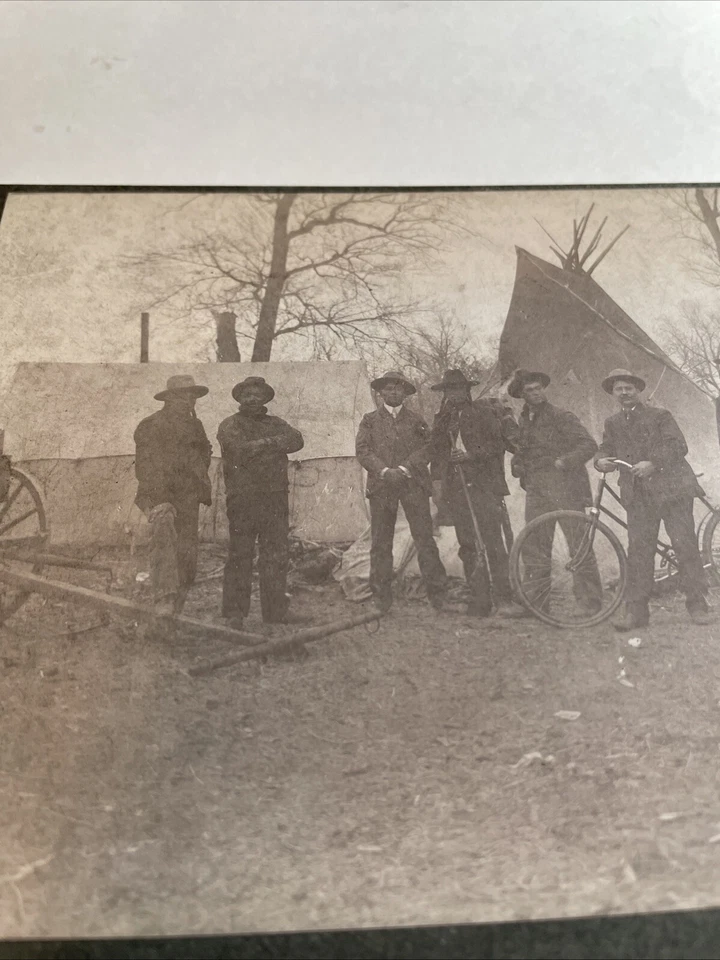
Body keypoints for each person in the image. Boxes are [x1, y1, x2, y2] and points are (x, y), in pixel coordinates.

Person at [594, 368, 712, 630]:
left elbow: (678, 446)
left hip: (672, 491)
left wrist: (653, 463)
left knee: (685, 546)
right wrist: (599, 460)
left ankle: (698, 605)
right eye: (619, 389)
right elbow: (606, 447)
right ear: (613, 394)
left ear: (638, 391)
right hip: (638, 496)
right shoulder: (612, 422)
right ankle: (636, 613)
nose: (624, 393)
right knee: (638, 552)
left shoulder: (660, 415)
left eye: (629, 388)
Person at [429, 369, 525, 618]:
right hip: (457, 491)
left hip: (485, 488)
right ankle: (479, 601)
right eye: (450, 390)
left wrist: (470, 455)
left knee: (493, 543)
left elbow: (497, 445)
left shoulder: (484, 412)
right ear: (446, 393)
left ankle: (503, 599)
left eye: (459, 389)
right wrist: (438, 484)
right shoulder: (442, 420)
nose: (455, 394)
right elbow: (436, 455)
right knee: (468, 545)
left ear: (467, 390)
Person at [508, 368, 603, 616]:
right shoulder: (524, 420)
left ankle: (590, 604)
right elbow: (523, 450)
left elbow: (588, 445)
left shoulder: (561, 416)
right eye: (530, 390)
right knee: (535, 546)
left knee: (577, 546)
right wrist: (517, 463)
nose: (536, 393)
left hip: (566, 490)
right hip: (538, 491)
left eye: (539, 388)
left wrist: (565, 461)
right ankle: (536, 604)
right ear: (522, 395)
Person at [355, 370, 448, 614]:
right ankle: (381, 598)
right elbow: (363, 450)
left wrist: (406, 467)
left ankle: (438, 595)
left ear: (405, 393)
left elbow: (429, 447)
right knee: (380, 542)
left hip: (412, 484)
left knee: (424, 537)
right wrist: (384, 470)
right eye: (388, 388)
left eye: (398, 388)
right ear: (381, 392)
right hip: (382, 485)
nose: (393, 391)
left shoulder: (417, 420)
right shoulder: (369, 420)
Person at [217, 376, 305, 630]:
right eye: (247, 395)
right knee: (240, 554)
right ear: (240, 399)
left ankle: (275, 612)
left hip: (275, 498)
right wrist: (275, 446)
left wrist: (264, 444)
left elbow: (297, 440)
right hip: (243, 499)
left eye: (257, 395)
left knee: (275, 555)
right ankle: (235, 613)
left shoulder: (276, 423)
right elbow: (239, 450)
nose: (252, 399)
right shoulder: (229, 425)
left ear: (266, 398)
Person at [133, 374, 213, 620]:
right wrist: (160, 499)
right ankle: (164, 601)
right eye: (182, 396)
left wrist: (199, 485)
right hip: (160, 496)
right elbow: (145, 467)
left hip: (188, 496)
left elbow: (203, 456)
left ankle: (174, 615)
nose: (188, 401)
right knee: (164, 542)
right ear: (169, 399)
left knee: (187, 555)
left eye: (192, 396)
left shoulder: (195, 426)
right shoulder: (151, 424)